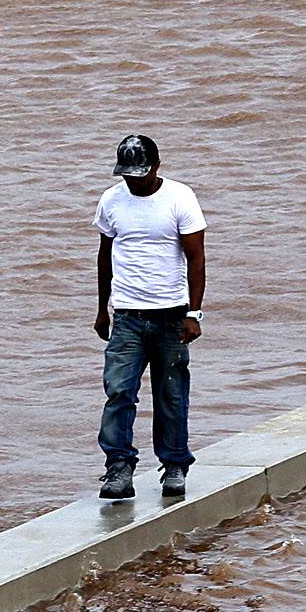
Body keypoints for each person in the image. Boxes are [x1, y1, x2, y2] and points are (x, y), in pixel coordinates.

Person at [93, 133, 206, 499]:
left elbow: (197, 259)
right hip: (127, 314)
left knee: (171, 394)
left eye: (140, 174)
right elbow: (104, 256)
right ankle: (118, 467)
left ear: (156, 167)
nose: (134, 181)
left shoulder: (180, 198)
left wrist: (194, 313)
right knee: (119, 391)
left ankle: (174, 465)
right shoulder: (111, 201)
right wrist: (101, 308)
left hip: (172, 315)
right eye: (127, 175)